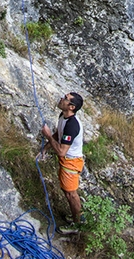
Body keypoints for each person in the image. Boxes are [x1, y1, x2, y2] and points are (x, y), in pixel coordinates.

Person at [39, 91, 84, 232]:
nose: (61, 99)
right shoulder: (63, 116)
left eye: (65, 99)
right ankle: (77, 217)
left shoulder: (72, 126)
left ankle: (77, 225)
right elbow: (59, 134)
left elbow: (61, 151)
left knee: (71, 193)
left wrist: (47, 136)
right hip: (67, 160)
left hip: (70, 162)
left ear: (71, 107)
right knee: (67, 192)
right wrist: (45, 148)